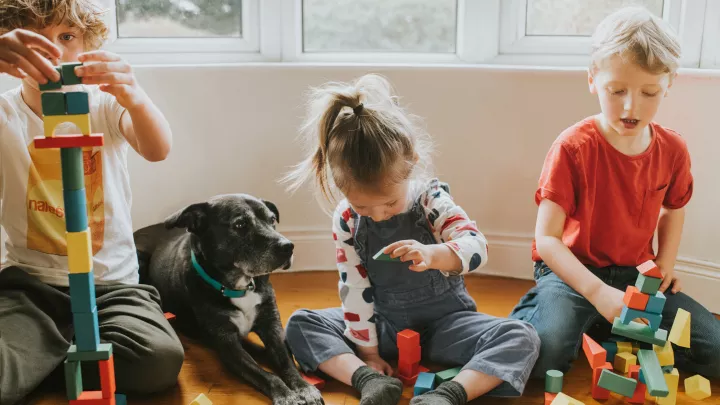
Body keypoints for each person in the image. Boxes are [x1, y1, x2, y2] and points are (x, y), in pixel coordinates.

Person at [282, 73, 540, 405]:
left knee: (520, 336)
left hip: (446, 325)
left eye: (389, 203)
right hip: (384, 325)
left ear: (412, 165)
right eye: (363, 205)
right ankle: (369, 380)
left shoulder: (430, 199)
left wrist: (434, 254)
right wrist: (368, 353)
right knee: (301, 324)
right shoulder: (347, 218)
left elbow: (476, 246)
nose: (377, 215)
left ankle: (449, 394)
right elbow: (354, 288)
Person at [509, 6, 720, 378]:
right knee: (543, 359)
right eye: (616, 89)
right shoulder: (572, 147)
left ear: (669, 83)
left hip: (636, 273)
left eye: (648, 92)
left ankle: (603, 323)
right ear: (592, 78)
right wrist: (595, 291)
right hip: (571, 272)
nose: (630, 106)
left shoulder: (673, 150)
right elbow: (547, 240)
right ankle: (554, 313)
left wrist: (666, 265)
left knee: (714, 349)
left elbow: (674, 208)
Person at [0, 1, 183, 404]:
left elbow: (157, 148)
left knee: (158, 360)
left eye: (67, 38)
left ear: (87, 45)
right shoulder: (6, 112)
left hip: (112, 284)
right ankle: (48, 351)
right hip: (30, 285)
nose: (54, 53)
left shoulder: (104, 104)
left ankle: (47, 357)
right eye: (35, 41)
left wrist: (134, 95)